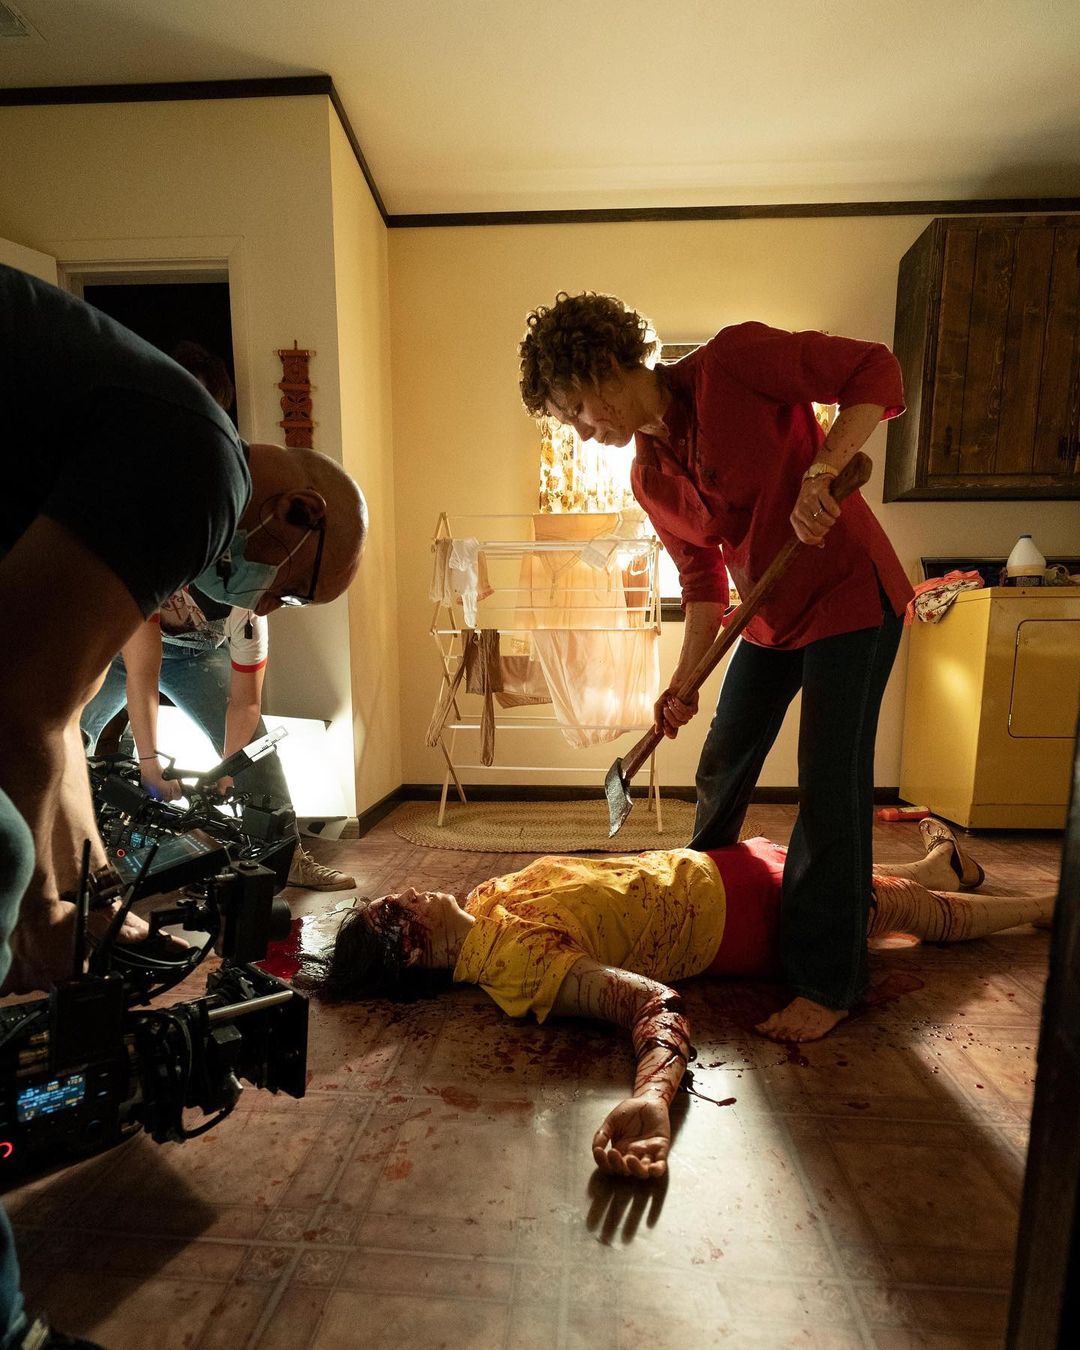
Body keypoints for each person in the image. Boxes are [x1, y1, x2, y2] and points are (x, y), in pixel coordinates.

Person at [0, 262, 366, 1348]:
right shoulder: (202, 467)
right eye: (291, 586)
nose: (271, 602)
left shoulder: (163, 442)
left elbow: (59, 712)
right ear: (296, 513)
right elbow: (20, 705)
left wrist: (92, 886)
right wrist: (41, 915)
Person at [519, 292, 913, 1044]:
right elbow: (702, 585)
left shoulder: (733, 362)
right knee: (723, 760)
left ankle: (828, 980)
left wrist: (823, 469)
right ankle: (706, 908)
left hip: (848, 598)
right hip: (766, 620)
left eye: (574, 409)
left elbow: (875, 369)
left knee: (829, 782)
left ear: (602, 368)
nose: (578, 430)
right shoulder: (648, 478)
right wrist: (683, 681)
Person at [300, 820, 1052, 1181]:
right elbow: (651, 1004)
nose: (403, 891)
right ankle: (1048, 905)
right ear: (414, 951)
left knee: (859, 875)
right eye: (393, 909)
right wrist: (654, 1096)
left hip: (720, 870)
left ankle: (940, 863)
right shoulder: (517, 964)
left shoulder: (486, 899)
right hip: (751, 918)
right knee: (907, 910)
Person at [80, 342, 354, 892]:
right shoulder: (160, 529)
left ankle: (284, 857)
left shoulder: (249, 597)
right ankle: (97, 861)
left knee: (257, 751)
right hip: (118, 644)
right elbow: (142, 673)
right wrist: (151, 765)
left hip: (195, 652)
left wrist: (230, 771)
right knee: (70, 734)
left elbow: (244, 702)